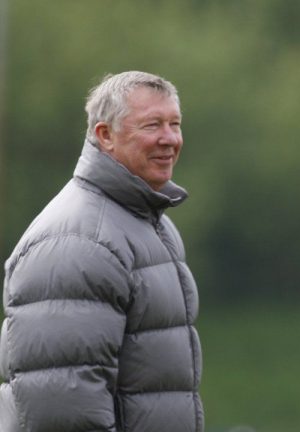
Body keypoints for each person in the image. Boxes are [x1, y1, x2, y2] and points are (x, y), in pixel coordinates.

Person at [0, 71, 203, 431]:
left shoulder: (149, 223)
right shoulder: (80, 241)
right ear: (105, 135)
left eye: (175, 124)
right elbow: (61, 409)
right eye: (152, 125)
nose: (169, 138)